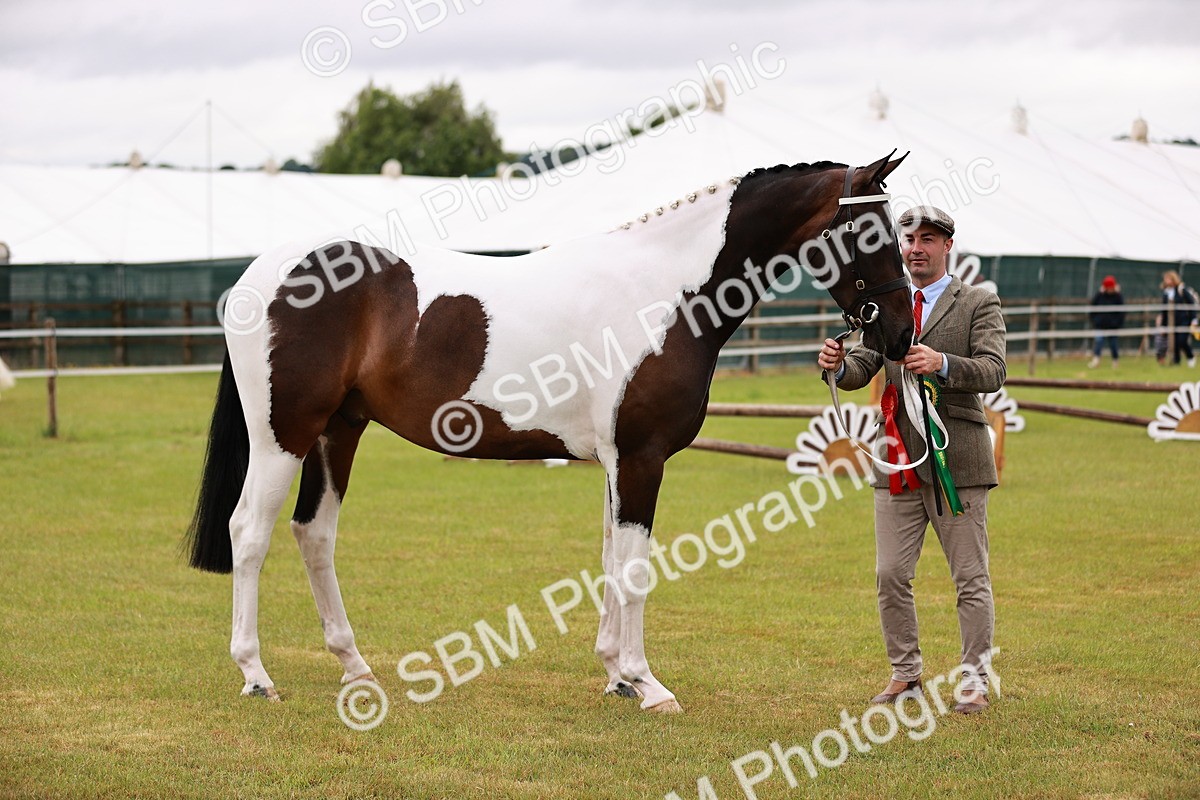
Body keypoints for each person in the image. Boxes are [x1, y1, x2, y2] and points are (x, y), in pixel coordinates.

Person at [818, 205, 1006, 714]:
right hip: (896, 461)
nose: (916, 247)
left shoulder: (978, 304)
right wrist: (838, 365)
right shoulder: (885, 302)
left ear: (948, 246)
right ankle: (906, 674)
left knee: (969, 577)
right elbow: (864, 364)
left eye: (928, 238)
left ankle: (973, 681)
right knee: (890, 575)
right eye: (909, 238)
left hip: (958, 462)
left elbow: (993, 370)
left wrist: (942, 363)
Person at [1158, 271, 1198, 368]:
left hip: (1184, 321)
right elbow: (1164, 311)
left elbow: (1191, 304)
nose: (1167, 281)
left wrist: (1194, 319)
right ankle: (1176, 362)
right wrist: (1163, 325)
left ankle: (1190, 357)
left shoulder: (1182, 290)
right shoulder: (1166, 293)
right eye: (1166, 279)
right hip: (1172, 322)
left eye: (1169, 279)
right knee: (1174, 342)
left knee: (1182, 341)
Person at [1088, 275, 1125, 369]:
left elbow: (1121, 312)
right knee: (1099, 342)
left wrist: (1117, 323)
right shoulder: (1099, 296)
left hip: (1113, 326)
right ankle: (1096, 360)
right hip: (1100, 325)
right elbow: (1093, 308)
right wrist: (1095, 321)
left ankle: (1115, 361)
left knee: (1113, 344)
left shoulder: (1118, 297)